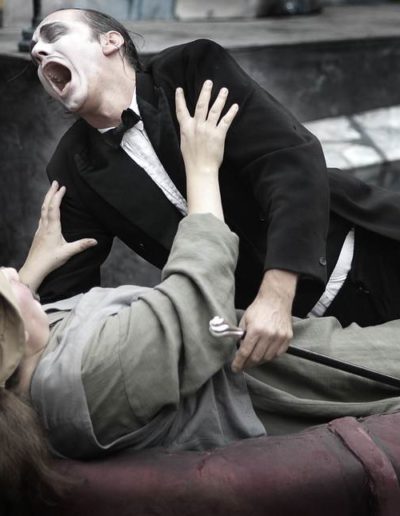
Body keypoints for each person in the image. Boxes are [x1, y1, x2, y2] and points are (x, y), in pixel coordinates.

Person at [2, 83, 400, 513]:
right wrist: (203, 167)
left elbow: (32, 338)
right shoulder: (82, 383)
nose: (7, 271)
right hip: (277, 380)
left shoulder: (30, 365)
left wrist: (29, 275)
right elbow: (198, 299)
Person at [29, 8, 400, 374]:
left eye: (54, 36)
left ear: (111, 41)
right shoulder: (71, 165)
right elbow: (66, 297)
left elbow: (287, 162)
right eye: (35, 54)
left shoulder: (190, 71)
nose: (39, 51)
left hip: (367, 258)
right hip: (289, 343)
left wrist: (277, 293)